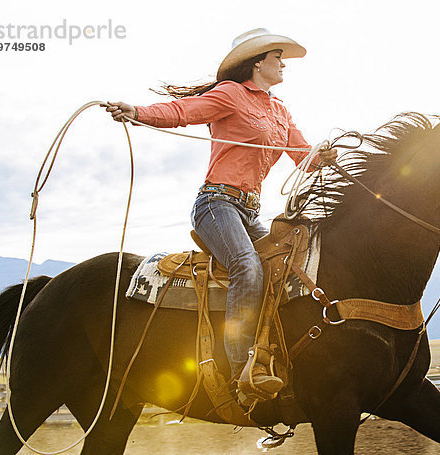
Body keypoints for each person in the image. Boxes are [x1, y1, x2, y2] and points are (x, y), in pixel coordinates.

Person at [106, 28, 337, 398]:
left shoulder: (279, 111)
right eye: (277, 58)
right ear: (258, 62)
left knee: (283, 267)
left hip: (250, 211)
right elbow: (183, 112)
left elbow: (302, 156)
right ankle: (241, 367)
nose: (283, 65)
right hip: (216, 204)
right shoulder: (230, 94)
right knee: (247, 265)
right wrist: (139, 113)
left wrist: (321, 157)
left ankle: (272, 352)